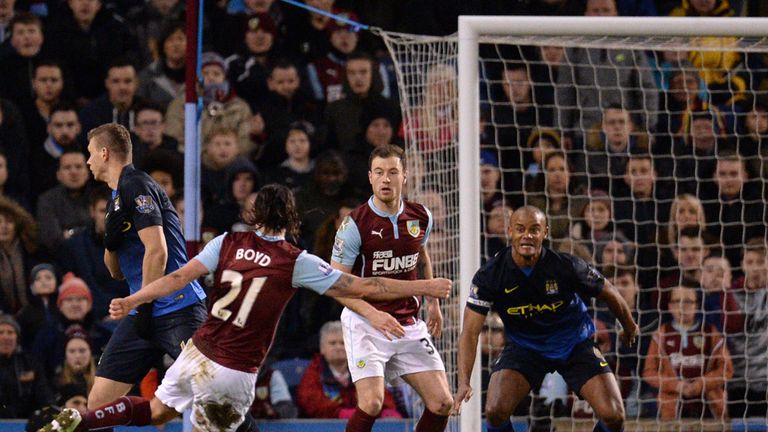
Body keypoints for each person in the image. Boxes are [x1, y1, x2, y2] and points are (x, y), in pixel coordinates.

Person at [40, 183, 450, 432]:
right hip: (233, 372)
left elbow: (177, 277)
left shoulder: (228, 243)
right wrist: (425, 285)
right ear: (291, 217)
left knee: (157, 410)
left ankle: (85, 420)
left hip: (196, 353)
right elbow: (364, 285)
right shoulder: (296, 260)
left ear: (254, 215)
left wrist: (134, 297)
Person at [453, 206, 639, 432]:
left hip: (574, 344)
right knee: (495, 411)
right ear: (510, 231)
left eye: (534, 229)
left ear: (545, 233)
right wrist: (463, 381)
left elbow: (608, 291)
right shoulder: (490, 275)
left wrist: (629, 327)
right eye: (520, 229)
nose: (527, 235)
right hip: (525, 347)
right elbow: (470, 332)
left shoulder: (565, 266)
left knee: (614, 416)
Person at [83, 123, 208, 412]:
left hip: (179, 308)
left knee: (212, 396)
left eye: (90, 153)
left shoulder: (136, 185)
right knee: (99, 402)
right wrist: (110, 242)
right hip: (143, 311)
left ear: (104, 153)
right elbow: (116, 272)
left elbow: (157, 251)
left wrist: (145, 305)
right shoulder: (115, 198)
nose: (88, 161)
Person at [330, 144, 454, 432]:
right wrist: (373, 315)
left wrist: (433, 303)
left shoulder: (421, 216)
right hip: (366, 323)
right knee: (372, 404)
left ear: (405, 176)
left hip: (407, 323)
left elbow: (421, 257)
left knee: (442, 403)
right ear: (370, 178)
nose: (386, 179)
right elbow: (336, 285)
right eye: (379, 173)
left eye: (393, 172)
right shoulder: (354, 225)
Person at [296, 321, 401, 419]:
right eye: (332, 343)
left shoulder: (362, 366)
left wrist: (386, 410)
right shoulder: (314, 370)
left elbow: (380, 395)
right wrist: (339, 413)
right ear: (322, 348)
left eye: (343, 343)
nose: (338, 347)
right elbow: (310, 402)